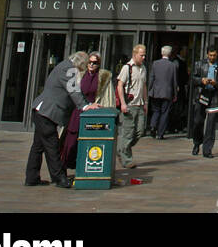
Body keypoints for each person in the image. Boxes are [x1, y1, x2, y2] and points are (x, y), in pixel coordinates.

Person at [25, 51, 99, 187]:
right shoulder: (69, 68)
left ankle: (32, 178)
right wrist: (84, 106)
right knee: (52, 146)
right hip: (47, 113)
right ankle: (60, 179)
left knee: (38, 146)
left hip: (41, 111)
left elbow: (75, 90)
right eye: (86, 63)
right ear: (81, 63)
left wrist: (86, 104)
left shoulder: (63, 65)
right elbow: (73, 90)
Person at [58, 51, 112, 171]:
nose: (92, 65)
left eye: (95, 63)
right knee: (70, 143)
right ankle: (64, 168)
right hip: (77, 113)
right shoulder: (79, 75)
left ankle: (84, 169)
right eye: (90, 62)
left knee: (88, 144)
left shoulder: (104, 77)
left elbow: (108, 99)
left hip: (92, 115)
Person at [191, 47, 218, 158]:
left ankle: (207, 149)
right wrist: (201, 80)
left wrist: (216, 83)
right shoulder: (199, 64)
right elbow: (192, 78)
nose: (212, 57)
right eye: (210, 55)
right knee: (198, 121)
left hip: (214, 95)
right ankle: (197, 143)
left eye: (214, 55)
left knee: (211, 124)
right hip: (202, 94)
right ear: (207, 54)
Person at [116, 43, 147, 168]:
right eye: (141, 55)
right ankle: (126, 159)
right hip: (130, 105)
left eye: (144, 55)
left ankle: (122, 148)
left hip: (139, 104)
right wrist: (123, 103)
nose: (143, 57)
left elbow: (144, 86)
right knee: (128, 133)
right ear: (135, 55)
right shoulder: (127, 68)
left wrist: (146, 102)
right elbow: (119, 85)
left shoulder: (143, 68)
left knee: (139, 131)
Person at [147, 45, 178, 140]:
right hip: (167, 93)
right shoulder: (173, 65)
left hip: (156, 92)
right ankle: (160, 133)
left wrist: (149, 90)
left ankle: (152, 126)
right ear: (170, 54)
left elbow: (151, 78)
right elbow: (174, 81)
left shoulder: (155, 64)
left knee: (156, 110)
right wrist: (175, 94)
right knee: (164, 113)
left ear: (162, 53)